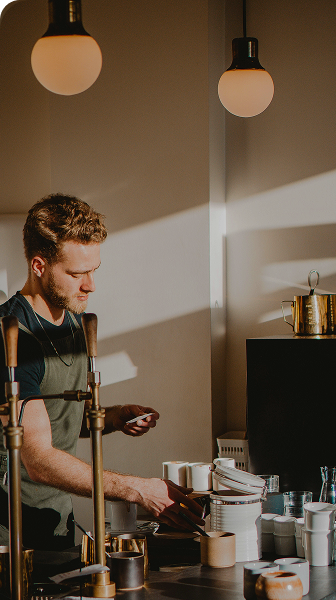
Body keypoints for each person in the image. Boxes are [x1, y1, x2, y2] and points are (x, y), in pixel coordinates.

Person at [0, 193, 203, 551]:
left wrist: (112, 417)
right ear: (38, 265)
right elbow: (39, 460)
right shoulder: (13, 338)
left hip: (57, 528)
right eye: (77, 274)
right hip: (10, 538)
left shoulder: (75, 322)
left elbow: (55, 420)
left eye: (94, 270)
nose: (90, 285)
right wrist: (138, 489)